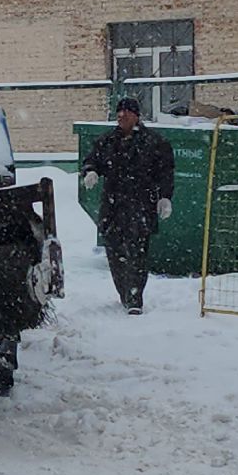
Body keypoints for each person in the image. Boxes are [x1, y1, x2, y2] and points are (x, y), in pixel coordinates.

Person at [80, 96, 175, 314]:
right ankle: (124, 292)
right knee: (114, 250)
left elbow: (165, 173)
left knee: (137, 251)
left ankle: (134, 298)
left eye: (126, 112)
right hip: (113, 205)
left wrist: (165, 197)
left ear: (136, 116)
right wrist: (91, 171)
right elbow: (93, 159)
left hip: (140, 204)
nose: (121, 116)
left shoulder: (154, 142)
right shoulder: (107, 141)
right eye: (119, 112)